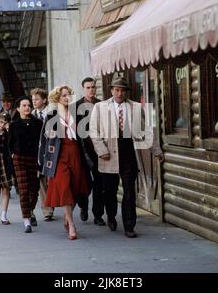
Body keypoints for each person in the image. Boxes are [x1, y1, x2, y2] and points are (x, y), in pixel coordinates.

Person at [89, 78, 164, 238]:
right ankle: (110, 215)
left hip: (128, 152)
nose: (119, 93)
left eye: (122, 90)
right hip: (108, 153)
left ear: (126, 92)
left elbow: (146, 130)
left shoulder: (135, 107)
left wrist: (156, 150)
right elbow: (93, 132)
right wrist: (101, 150)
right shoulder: (100, 107)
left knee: (129, 190)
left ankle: (129, 225)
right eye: (116, 90)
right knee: (110, 190)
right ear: (111, 91)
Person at [38, 85, 89, 240]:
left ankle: (68, 216)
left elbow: (84, 137)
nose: (67, 98)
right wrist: (42, 161)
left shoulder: (77, 114)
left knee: (75, 187)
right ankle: (72, 225)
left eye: (69, 95)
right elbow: (44, 140)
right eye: (64, 95)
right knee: (64, 185)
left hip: (75, 153)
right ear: (57, 98)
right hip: (58, 156)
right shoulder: (52, 115)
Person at [8, 96, 43, 233]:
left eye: (29, 105)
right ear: (18, 109)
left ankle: (30, 210)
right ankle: (26, 220)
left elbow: (42, 142)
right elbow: (9, 143)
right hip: (19, 159)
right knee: (23, 190)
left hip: (34, 159)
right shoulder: (14, 124)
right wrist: (12, 154)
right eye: (24, 105)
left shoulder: (38, 123)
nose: (27, 107)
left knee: (34, 190)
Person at [75, 77, 105, 225]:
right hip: (82, 151)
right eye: (88, 87)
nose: (91, 90)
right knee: (84, 182)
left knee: (99, 183)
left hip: (99, 150)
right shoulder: (76, 107)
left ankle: (98, 214)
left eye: (93, 87)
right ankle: (83, 206)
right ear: (83, 89)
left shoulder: (101, 105)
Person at [31, 88, 54, 222]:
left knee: (51, 180)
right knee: (40, 181)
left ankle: (52, 202)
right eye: (33, 100)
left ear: (44, 100)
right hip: (38, 152)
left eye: (37, 99)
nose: (34, 102)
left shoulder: (52, 113)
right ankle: (47, 210)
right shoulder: (32, 114)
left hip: (51, 150)